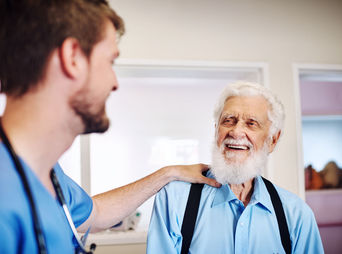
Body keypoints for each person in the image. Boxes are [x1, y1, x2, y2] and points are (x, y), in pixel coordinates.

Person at [0, 1, 220, 253]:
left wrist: (168, 173)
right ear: (72, 57)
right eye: (110, 62)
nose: (115, 83)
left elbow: (97, 213)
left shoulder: (49, 175)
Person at [147, 81, 324, 254]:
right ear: (216, 130)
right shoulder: (175, 200)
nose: (236, 132)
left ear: (272, 140)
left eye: (251, 123)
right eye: (229, 121)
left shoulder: (296, 215)